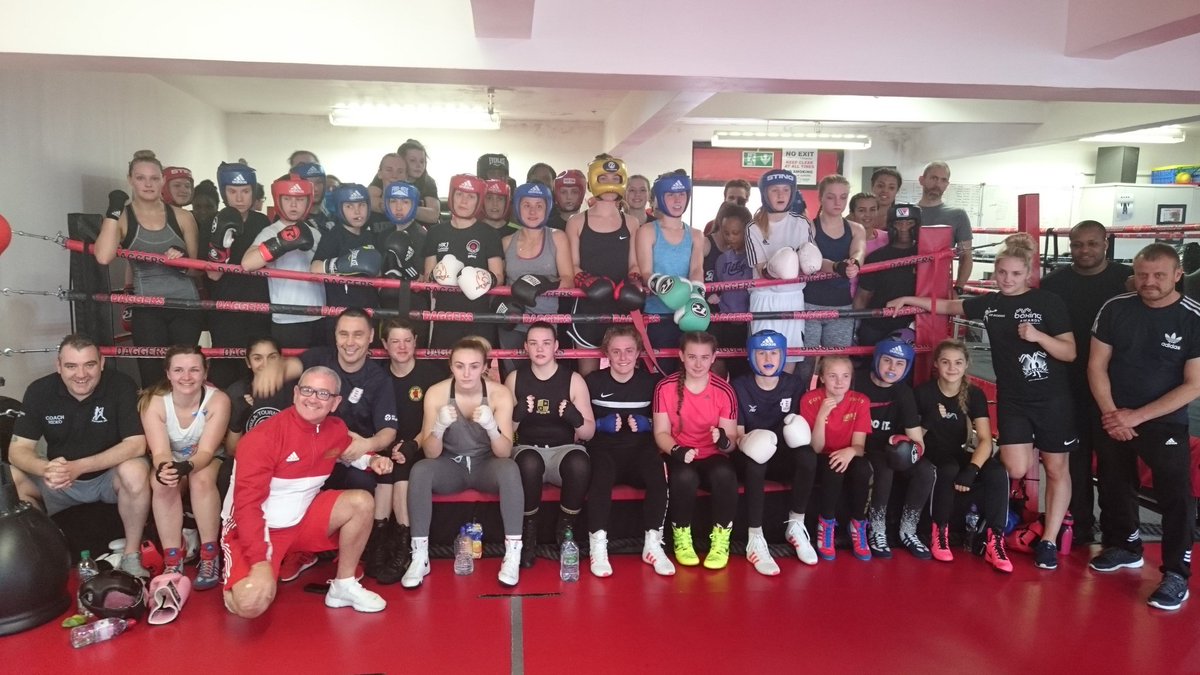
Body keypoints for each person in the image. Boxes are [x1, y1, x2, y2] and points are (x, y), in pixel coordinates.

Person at [889, 233, 1077, 570]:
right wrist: (908, 299)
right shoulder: (990, 304)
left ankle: (1048, 539)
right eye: (1002, 272)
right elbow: (948, 306)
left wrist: (1038, 336)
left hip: (1052, 398)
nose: (1007, 279)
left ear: (1028, 273)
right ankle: (1004, 516)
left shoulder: (1049, 302)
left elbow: (1069, 351)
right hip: (1014, 399)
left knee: (1056, 467)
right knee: (1016, 467)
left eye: (1016, 274)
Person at [222, 366, 393, 617]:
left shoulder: (335, 429)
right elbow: (247, 507)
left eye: (324, 394)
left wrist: (372, 460)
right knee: (250, 605)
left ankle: (343, 586)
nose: (313, 398)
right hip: (259, 528)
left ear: (335, 403)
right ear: (295, 393)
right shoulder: (262, 439)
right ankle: (247, 574)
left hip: (302, 520)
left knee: (361, 502)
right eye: (307, 390)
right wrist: (259, 561)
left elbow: (347, 449)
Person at [1088, 243, 1200, 611]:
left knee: (1175, 497)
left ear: (1177, 275)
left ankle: (1175, 574)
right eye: (1142, 274)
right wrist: (1111, 413)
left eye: (1159, 275)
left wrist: (1134, 417)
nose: (1149, 282)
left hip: (1163, 421)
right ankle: (1126, 545)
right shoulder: (1116, 307)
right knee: (1114, 482)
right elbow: (1096, 365)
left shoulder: (1192, 317)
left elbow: (1194, 384)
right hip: (1113, 414)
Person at [250, 308, 399, 578]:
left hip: (354, 454)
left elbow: (388, 430)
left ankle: (353, 555)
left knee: (363, 484)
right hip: (315, 453)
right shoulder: (319, 357)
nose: (350, 341)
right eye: (343, 334)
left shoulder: (378, 379)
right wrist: (275, 367)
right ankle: (302, 550)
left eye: (357, 335)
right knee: (291, 475)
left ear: (370, 338)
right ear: (335, 336)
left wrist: (367, 444)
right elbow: (290, 365)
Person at [7, 334, 151, 577]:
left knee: (135, 469)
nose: (81, 374)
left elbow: (136, 445)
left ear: (102, 363)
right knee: (11, 476)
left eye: (89, 365)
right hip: (60, 482)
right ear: (59, 366)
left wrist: (79, 466)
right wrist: (46, 469)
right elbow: (17, 450)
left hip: (107, 479)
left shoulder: (121, 385)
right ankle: (44, 558)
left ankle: (131, 555)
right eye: (71, 366)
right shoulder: (39, 390)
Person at [402, 337, 524, 588]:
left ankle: (513, 554)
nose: (466, 373)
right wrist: (438, 428)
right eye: (460, 366)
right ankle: (420, 556)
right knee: (421, 470)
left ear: (484, 367)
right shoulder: (437, 393)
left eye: (474, 366)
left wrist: (491, 428)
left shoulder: (499, 394)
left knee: (510, 469)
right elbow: (431, 454)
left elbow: (504, 452)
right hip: (451, 465)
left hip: (486, 464)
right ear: (451, 366)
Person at [1040, 220, 1132, 543]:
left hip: (1113, 384)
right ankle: (1077, 528)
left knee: (1113, 462)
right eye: (1078, 244)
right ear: (1070, 245)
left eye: (1092, 243)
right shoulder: (1054, 283)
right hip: (1068, 385)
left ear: (1105, 243)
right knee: (1074, 460)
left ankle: (1117, 534)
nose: (1085, 250)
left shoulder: (1128, 279)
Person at [94, 150, 203, 387]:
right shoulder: (123, 218)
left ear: (162, 181)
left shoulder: (182, 217)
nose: (148, 184)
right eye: (141, 178)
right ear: (130, 180)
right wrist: (113, 208)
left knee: (186, 373)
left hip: (185, 305)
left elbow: (198, 269)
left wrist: (184, 263)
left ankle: (188, 423)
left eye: (154, 178)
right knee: (153, 375)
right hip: (148, 308)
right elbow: (103, 256)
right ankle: (154, 424)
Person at [915, 339, 1012, 572]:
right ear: (937, 364)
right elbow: (913, 438)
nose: (952, 368)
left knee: (997, 472)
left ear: (966, 364)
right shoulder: (924, 393)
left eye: (958, 362)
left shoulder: (974, 394)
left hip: (959, 452)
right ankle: (939, 531)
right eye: (946, 362)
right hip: (933, 453)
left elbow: (986, 440)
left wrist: (972, 469)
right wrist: (930, 419)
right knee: (947, 469)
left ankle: (994, 539)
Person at [584, 327, 673, 577]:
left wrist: (649, 424)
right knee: (600, 476)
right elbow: (579, 425)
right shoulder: (593, 382)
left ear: (638, 353)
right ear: (607, 354)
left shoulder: (651, 383)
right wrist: (600, 425)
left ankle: (653, 544)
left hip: (639, 451)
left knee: (658, 475)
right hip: (605, 450)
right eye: (616, 351)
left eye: (629, 351)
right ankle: (598, 547)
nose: (623, 358)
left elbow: (669, 423)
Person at [140, 346, 231, 589]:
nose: (186, 377)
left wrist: (186, 466)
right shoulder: (155, 403)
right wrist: (166, 470)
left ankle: (210, 555)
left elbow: (206, 452)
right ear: (168, 374)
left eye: (194, 370)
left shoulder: (218, 400)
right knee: (162, 483)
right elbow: (160, 452)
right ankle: (173, 558)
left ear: (204, 372)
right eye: (178, 370)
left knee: (200, 479)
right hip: (172, 458)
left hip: (205, 460)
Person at [505, 323, 594, 568]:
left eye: (546, 343)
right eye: (533, 343)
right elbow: (503, 433)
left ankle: (565, 530)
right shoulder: (515, 378)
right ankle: (529, 533)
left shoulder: (573, 380)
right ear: (525, 347)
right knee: (528, 463)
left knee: (579, 463)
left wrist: (575, 418)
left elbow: (589, 431)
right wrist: (516, 414)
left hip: (563, 450)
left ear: (555, 346)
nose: (539, 348)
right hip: (527, 448)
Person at [732, 330, 819, 574]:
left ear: (783, 356)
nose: (768, 358)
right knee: (755, 463)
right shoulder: (740, 385)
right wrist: (750, 441)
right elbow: (737, 434)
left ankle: (795, 525)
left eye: (774, 352)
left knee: (807, 456)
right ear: (751, 356)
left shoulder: (793, 385)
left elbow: (801, 431)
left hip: (782, 453)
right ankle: (755, 538)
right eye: (761, 353)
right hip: (749, 452)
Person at [653, 331, 739, 570]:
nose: (698, 364)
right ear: (681, 356)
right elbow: (660, 433)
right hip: (680, 453)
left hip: (712, 454)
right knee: (684, 475)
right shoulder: (665, 387)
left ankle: (721, 538)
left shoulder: (725, 390)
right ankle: (681, 536)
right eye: (692, 357)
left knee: (724, 474)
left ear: (714, 358)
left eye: (704, 357)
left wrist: (723, 441)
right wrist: (677, 449)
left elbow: (731, 440)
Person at [855, 332, 935, 559]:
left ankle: (908, 529)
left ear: (906, 367)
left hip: (890, 450)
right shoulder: (856, 381)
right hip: (861, 447)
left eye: (900, 363)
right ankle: (876, 528)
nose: (893, 368)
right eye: (887, 360)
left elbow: (918, 442)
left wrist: (908, 448)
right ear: (877, 359)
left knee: (925, 470)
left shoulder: (903, 392)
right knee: (883, 466)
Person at [374, 318, 442, 584]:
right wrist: (384, 448)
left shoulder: (432, 374)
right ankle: (379, 545)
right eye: (395, 341)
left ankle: (404, 548)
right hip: (386, 445)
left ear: (415, 341)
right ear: (384, 344)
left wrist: (412, 445)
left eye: (407, 340)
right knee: (385, 469)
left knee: (401, 467)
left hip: (422, 444)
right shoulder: (378, 375)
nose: (401, 346)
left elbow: (436, 421)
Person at [566, 156, 643, 376]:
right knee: (587, 374)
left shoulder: (631, 222)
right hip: (587, 306)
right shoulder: (577, 222)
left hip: (622, 304)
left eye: (615, 177)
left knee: (626, 368)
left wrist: (634, 282)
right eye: (603, 177)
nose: (609, 183)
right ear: (592, 181)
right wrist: (588, 282)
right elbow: (572, 265)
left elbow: (634, 263)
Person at [204, 161, 272, 388]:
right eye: (233, 191)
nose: (239, 198)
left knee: (258, 368)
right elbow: (212, 276)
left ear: (253, 192)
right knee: (226, 367)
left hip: (259, 304)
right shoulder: (211, 222)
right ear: (224, 192)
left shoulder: (262, 222)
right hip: (225, 306)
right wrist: (219, 247)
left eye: (245, 191)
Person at [799, 355, 873, 561]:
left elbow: (859, 447)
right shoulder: (810, 400)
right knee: (833, 466)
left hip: (849, 454)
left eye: (845, 376)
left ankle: (858, 523)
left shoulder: (860, 401)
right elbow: (815, 447)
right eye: (833, 376)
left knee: (862, 468)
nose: (839, 382)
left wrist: (850, 451)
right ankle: (826, 523)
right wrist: (822, 414)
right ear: (822, 377)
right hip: (822, 457)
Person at [499, 183, 574, 377]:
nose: (533, 211)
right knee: (514, 378)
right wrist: (502, 307)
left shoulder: (557, 237)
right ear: (517, 207)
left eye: (539, 206)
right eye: (527, 205)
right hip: (513, 322)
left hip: (545, 323)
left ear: (547, 208)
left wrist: (544, 284)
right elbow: (499, 284)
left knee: (544, 377)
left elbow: (569, 279)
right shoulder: (507, 242)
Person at [241, 178, 326, 349]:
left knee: (317, 371)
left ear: (308, 201)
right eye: (287, 199)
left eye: (300, 199)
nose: (293, 205)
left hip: (319, 315)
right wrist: (279, 243)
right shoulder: (270, 232)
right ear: (278, 200)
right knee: (290, 372)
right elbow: (247, 264)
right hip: (287, 318)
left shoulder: (315, 233)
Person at [423, 174, 505, 349]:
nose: (464, 201)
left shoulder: (489, 233)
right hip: (444, 316)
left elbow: (499, 275)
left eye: (470, 196)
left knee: (475, 370)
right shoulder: (436, 232)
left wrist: (482, 279)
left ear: (478, 200)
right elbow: (427, 275)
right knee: (442, 369)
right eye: (459, 194)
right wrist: (439, 274)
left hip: (479, 316)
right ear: (451, 195)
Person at [745, 169, 814, 373]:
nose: (781, 195)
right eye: (774, 190)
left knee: (788, 359)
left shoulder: (802, 223)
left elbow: (809, 262)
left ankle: (783, 403)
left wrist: (838, 266)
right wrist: (781, 267)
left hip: (793, 298)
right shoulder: (754, 228)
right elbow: (759, 267)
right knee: (763, 360)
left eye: (786, 189)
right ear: (765, 194)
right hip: (764, 299)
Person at [636, 170, 705, 373]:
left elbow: (696, 269)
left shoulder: (696, 235)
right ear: (660, 198)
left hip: (688, 314)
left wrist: (697, 296)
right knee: (658, 373)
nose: (677, 200)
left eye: (682, 194)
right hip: (657, 315)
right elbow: (646, 272)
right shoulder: (647, 231)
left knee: (689, 372)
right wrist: (666, 287)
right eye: (671, 194)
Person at [799, 174, 865, 386]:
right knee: (805, 363)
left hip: (841, 305)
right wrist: (839, 267)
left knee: (837, 364)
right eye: (831, 197)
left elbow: (859, 250)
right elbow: (814, 259)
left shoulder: (856, 228)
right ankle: (800, 410)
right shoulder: (808, 227)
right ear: (820, 197)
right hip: (809, 303)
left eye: (843, 197)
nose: (838, 203)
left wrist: (854, 262)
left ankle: (836, 412)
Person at [311, 183, 384, 315]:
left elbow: (377, 272)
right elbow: (314, 268)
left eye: (361, 205)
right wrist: (343, 265)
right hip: (341, 311)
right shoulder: (333, 236)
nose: (357, 211)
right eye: (349, 206)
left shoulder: (371, 236)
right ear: (340, 209)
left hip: (369, 309)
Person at [854, 203, 920, 349]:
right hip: (877, 324)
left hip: (912, 324)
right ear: (891, 225)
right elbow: (863, 296)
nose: (904, 228)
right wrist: (854, 326)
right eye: (899, 223)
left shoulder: (926, 256)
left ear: (917, 225)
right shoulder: (877, 257)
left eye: (909, 223)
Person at [916, 162, 973, 295]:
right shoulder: (908, 213)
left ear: (947, 184)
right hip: (907, 282)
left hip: (938, 285)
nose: (937, 184)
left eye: (943, 180)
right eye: (933, 178)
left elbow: (966, 255)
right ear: (922, 180)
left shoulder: (958, 214)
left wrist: (958, 288)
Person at [397, 139, 442, 228]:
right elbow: (372, 200)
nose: (419, 165)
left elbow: (434, 215)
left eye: (422, 161)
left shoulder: (428, 181)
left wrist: (403, 209)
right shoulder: (389, 175)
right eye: (413, 160)